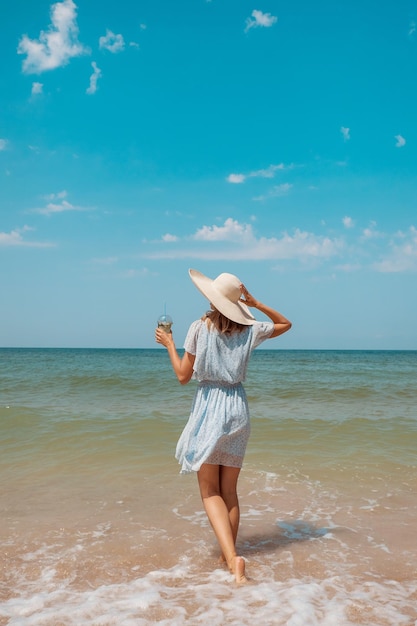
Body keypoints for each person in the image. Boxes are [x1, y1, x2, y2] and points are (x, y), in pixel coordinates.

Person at [155, 269, 292, 584]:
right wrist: (255, 303)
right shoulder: (249, 329)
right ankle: (227, 554)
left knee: (209, 491)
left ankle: (233, 560)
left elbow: (182, 376)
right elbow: (286, 324)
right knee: (229, 490)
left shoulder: (199, 328)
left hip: (210, 408)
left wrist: (169, 344)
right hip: (238, 409)